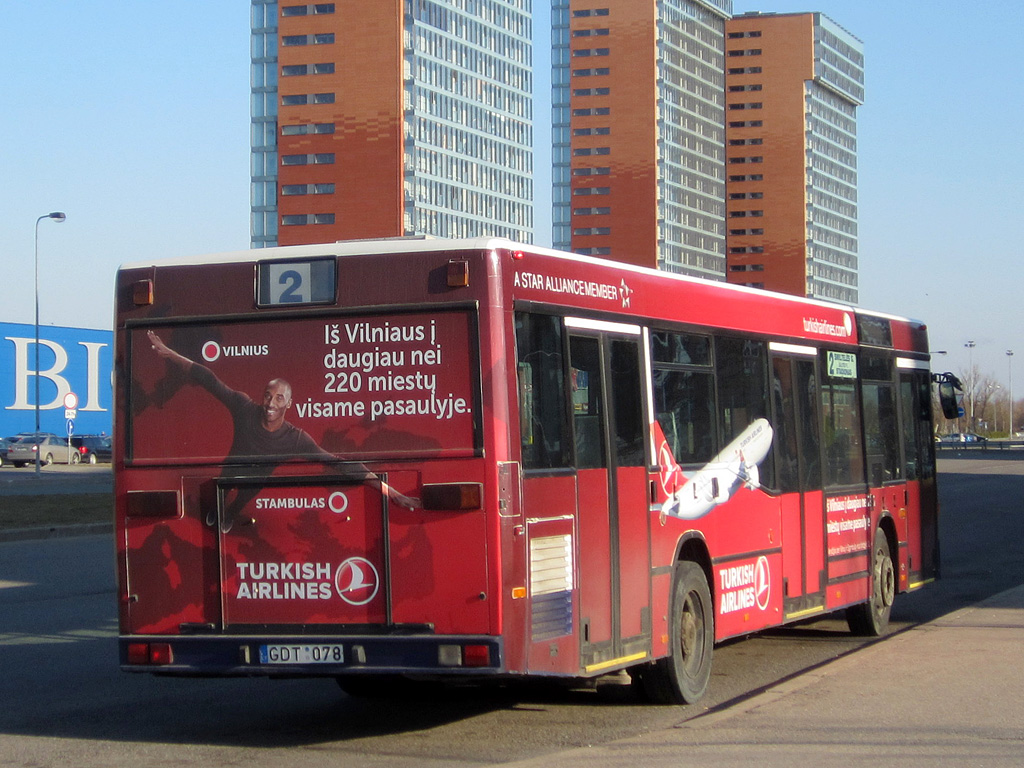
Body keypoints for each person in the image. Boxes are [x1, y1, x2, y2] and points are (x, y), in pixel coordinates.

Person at [146, 330, 418, 515]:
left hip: (254, 484)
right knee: (216, 499)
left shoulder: (296, 438)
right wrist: (168, 353)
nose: (271, 403)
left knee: (235, 507)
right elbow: (209, 379)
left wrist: (389, 491)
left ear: (288, 404)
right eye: (268, 395)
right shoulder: (243, 407)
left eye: (279, 398)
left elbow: (341, 464)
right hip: (231, 471)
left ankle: (229, 515)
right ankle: (219, 514)